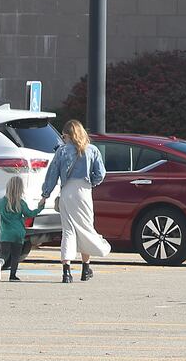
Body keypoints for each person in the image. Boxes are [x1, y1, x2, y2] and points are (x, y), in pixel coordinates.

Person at [40, 119, 110, 283]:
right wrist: (91, 182)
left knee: (68, 231)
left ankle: (66, 271)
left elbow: (52, 175)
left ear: (67, 136)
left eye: (64, 137)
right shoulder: (92, 150)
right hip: (84, 192)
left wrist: (45, 195)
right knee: (86, 228)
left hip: (67, 192)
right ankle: (86, 269)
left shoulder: (61, 152)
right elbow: (100, 174)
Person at [0, 176, 43, 282]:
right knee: (16, 255)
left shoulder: (1, 202)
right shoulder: (21, 203)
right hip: (18, 233)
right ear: (20, 189)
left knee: (4, 254)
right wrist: (40, 207)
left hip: (5, 233)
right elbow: (30, 214)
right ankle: (13, 275)